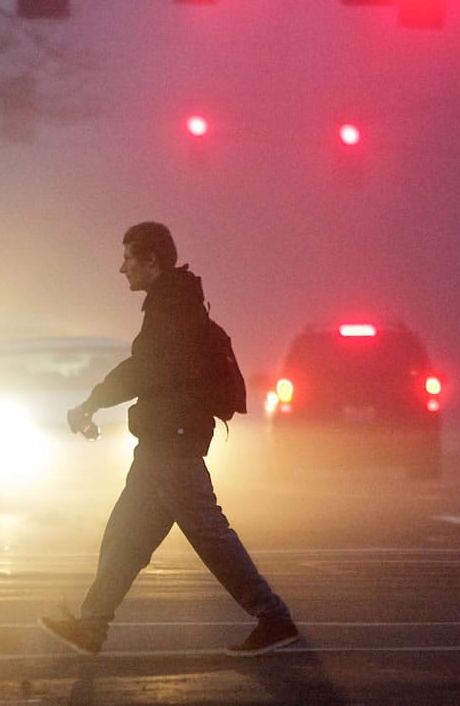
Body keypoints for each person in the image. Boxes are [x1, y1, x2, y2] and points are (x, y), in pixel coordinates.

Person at [39, 222, 299, 656]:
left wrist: (92, 403)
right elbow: (148, 369)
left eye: (128, 259)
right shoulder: (173, 304)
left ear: (151, 261)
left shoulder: (172, 308)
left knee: (209, 534)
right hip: (162, 440)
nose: (122, 269)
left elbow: (143, 370)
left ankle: (273, 618)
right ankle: (92, 625)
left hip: (172, 441)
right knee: (126, 534)